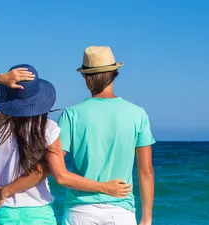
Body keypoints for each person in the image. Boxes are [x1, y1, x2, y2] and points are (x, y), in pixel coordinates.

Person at [0, 64, 132, 225]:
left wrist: (0, 78)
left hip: (6, 212)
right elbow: (61, 176)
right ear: (39, 98)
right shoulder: (48, 128)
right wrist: (105, 187)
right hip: (40, 214)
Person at [51, 46, 156, 225]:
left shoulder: (71, 115)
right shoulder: (138, 114)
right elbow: (145, 171)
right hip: (121, 212)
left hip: (80, 210)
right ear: (115, 73)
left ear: (85, 78)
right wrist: (146, 217)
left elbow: (58, 171)